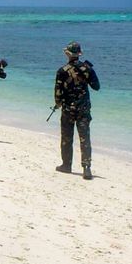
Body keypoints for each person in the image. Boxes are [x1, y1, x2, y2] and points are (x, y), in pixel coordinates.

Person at [52, 40, 100, 179]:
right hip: (84, 109)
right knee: (85, 138)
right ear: (79, 54)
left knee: (67, 138)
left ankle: (66, 165)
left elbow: (58, 94)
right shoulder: (87, 69)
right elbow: (96, 87)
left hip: (68, 109)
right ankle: (86, 168)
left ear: (67, 54)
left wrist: (58, 103)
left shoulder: (62, 71)